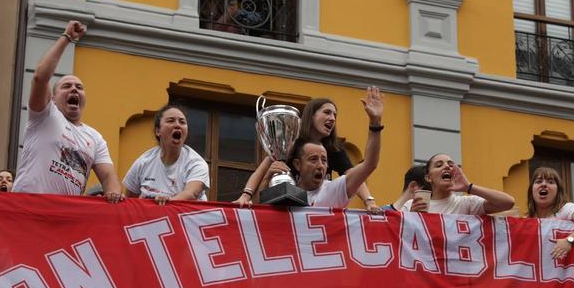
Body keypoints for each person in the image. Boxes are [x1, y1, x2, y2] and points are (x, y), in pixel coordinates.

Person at [11, 21, 123, 203]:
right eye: (66, 86)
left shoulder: (95, 138)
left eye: (79, 87)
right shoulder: (45, 116)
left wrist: (113, 194)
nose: (74, 89)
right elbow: (40, 77)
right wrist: (67, 38)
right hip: (26, 207)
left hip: (64, 218)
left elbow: (109, 178)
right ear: (53, 99)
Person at [237, 97, 382, 212]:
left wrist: (369, 201)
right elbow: (262, 170)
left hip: (319, 206)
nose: (332, 118)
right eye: (327, 112)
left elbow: (356, 174)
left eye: (335, 115)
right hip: (287, 206)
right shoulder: (290, 141)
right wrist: (245, 196)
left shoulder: (335, 148)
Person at [122, 104, 209, 204]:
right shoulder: (144, 161)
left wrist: (168, 203)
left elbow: (192, 193)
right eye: (171, 120)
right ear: (158, 131)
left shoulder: (196, 163)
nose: (178, 125)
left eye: (182, 122)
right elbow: (129, 200)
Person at [526, 167, 574, 260]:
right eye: (538, 181)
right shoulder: (526, 220)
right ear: (531, 190)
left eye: (550, 182)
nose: (544, 184)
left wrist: (569, 241)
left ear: (558, 191)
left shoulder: (566, 209)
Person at [406, 153, 515, 214]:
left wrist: (469, 187)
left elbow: (508, 203)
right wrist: (410, 217)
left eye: (450, 164)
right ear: (428, 178)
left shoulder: (466, 204)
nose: (447, 166)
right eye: (439, 165)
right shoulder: (412, 205)